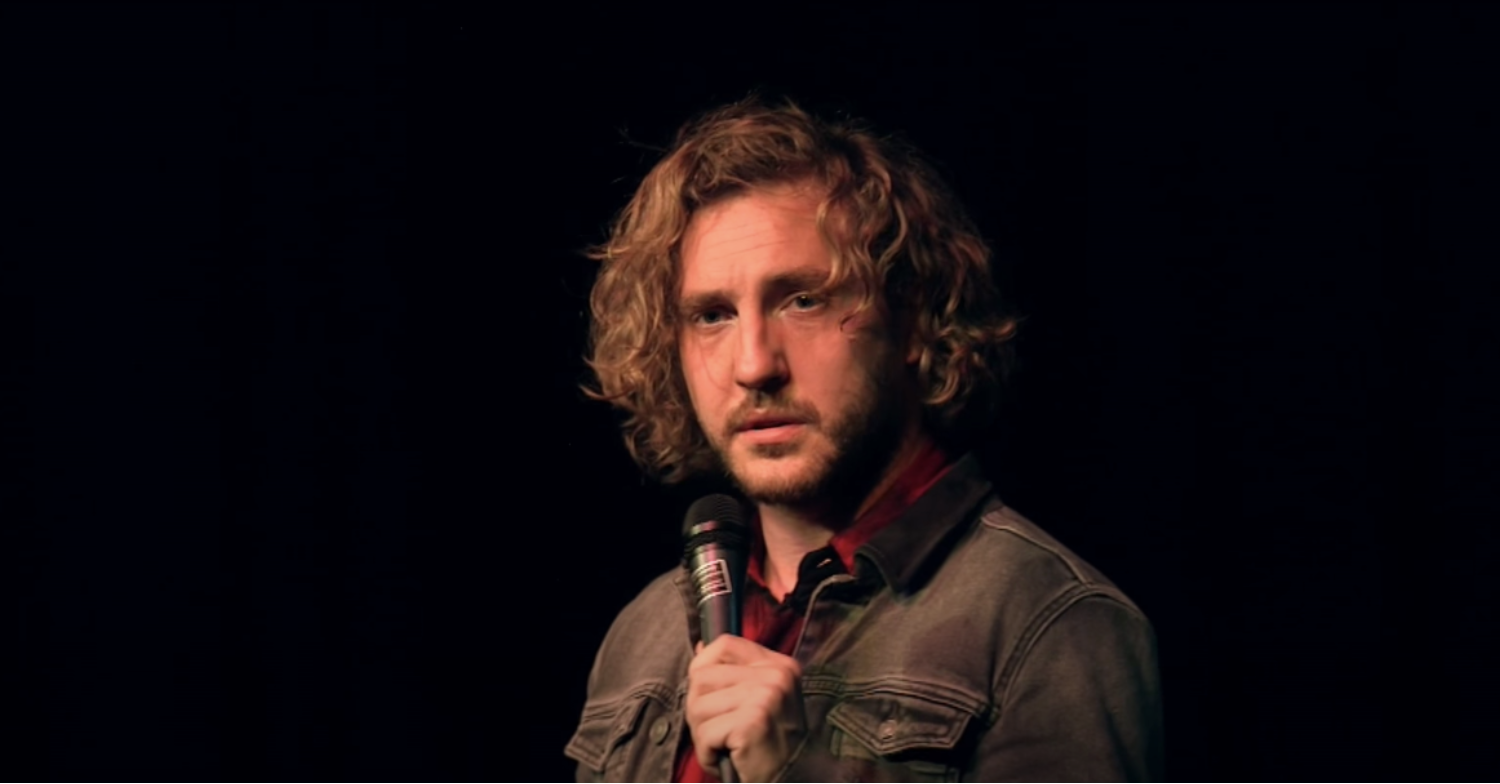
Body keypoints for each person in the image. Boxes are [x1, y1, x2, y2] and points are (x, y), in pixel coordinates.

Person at [565, 97, 1163, 783]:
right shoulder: (643, 636)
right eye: (712, 315)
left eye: (804, 300)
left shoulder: (1047, 623)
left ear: (913, 319)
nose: (754, 364)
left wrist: (796, 771)